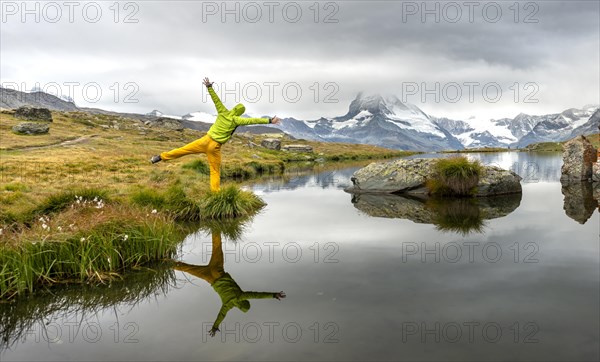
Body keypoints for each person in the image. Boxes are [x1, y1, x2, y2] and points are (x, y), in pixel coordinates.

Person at [150, 77, 281, 191]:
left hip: (205, 140)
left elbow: (216, 100)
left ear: (234, 108)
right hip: (215, 147)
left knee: (182, 150)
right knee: (214, 171)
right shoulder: (238, 119)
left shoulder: (223, 111)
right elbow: (253, 121)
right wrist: (270, 120)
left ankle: (160, 157)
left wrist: (209, 87)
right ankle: (215, 193)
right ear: (240, 112)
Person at [173, 228, 286, 337]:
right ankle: (165, 264)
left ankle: (215, 224)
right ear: (239, 307)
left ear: (245, 301)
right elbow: (221, 315)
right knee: (187, 268)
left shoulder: (241, 296)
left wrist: (273, 295)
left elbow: (256, 295)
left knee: (217, 247)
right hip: (210, 279)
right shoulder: (228, 305)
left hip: (218, 272)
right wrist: (215, 327)